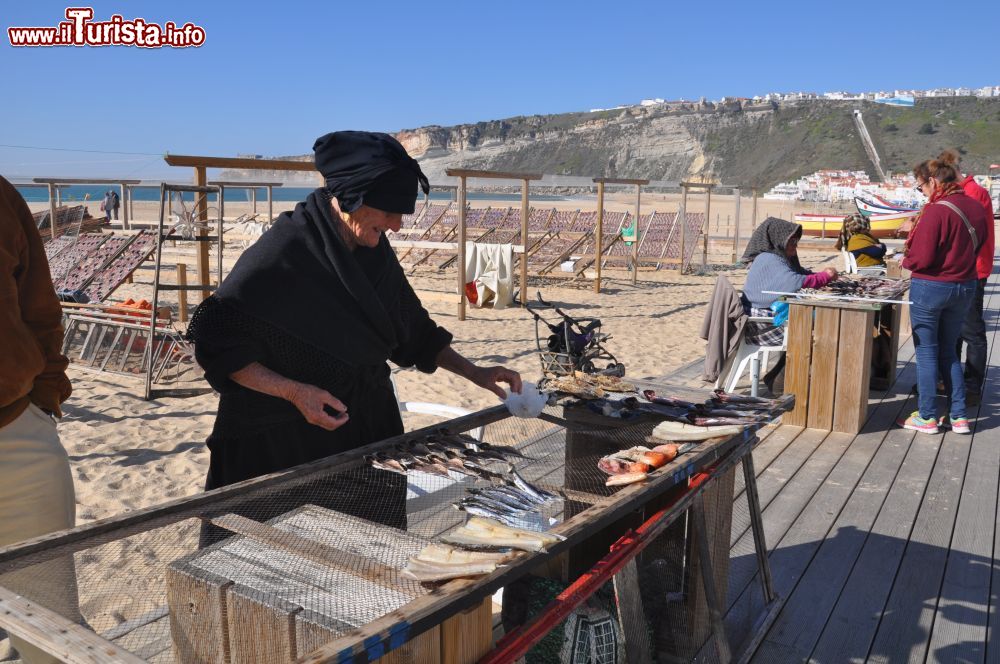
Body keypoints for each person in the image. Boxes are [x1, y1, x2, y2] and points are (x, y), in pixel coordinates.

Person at [187, 131, 522, 536]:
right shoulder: (281, 255)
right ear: (352, 199)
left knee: (370, 553)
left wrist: (476, 373)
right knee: (278, 561)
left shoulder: (373, 250)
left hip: (366, 431)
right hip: (280, 444)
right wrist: (295, 392)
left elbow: (414, 331)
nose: (397, 225)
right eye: (391, 212)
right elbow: (215, 341)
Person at [0, 175, 81, 664]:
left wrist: (44, 401)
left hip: (14, 436)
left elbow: (39, 307)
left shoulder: (0, 197)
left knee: (48, 624)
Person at [897, 158, 987, 434]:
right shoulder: (974, 205)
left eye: (922, 185)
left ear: (934, 181)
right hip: (965, 285)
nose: (922, 191)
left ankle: (927, 416)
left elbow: (921, 258)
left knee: (926, 352)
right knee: (949, 350)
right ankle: (958, 415)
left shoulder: (935, 211)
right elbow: (979, 243)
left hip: (932, 287)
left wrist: (905, 260)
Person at [740, 217, 838, 392]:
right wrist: (825, 276)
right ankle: (784, 380)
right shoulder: (769, 259)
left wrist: (820, 276)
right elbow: (793, 282)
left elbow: (799, 274)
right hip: (759, 326)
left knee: (808, 324)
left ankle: (778, 376)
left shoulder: (776, 257)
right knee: (815, 331)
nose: (795, 245)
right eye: (792, 241)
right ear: (780, 239)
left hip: (763, 318)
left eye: (796, 240)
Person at [938, 149, 994, 406]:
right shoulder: (971, 192)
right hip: (961, 269)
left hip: (971, 270)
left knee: (971, 330)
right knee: (954, 329)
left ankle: (972, 385)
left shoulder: (973, 194)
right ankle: (952, 381)